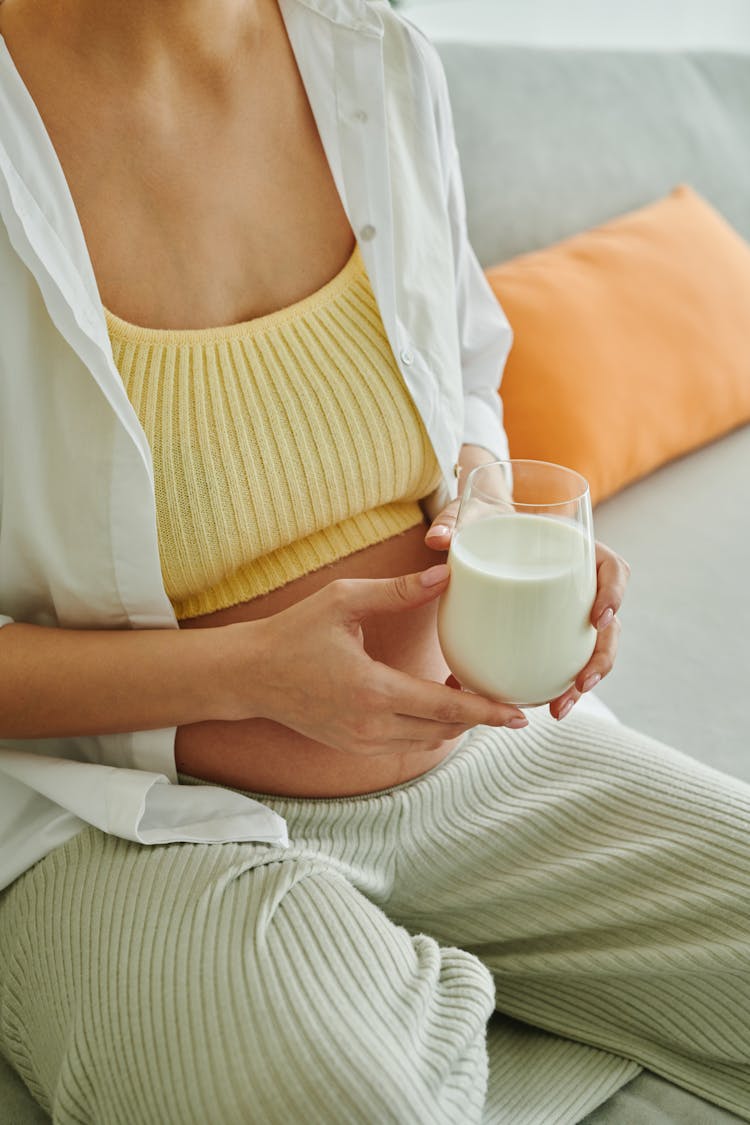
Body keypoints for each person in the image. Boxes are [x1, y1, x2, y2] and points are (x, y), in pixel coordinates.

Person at [0, 1, 748, 1122]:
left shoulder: (376, 55)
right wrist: (248, 672)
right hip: (120, 825)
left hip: (474, 764)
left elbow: (463, 384)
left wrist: (501, 524)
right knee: (340, 1098)